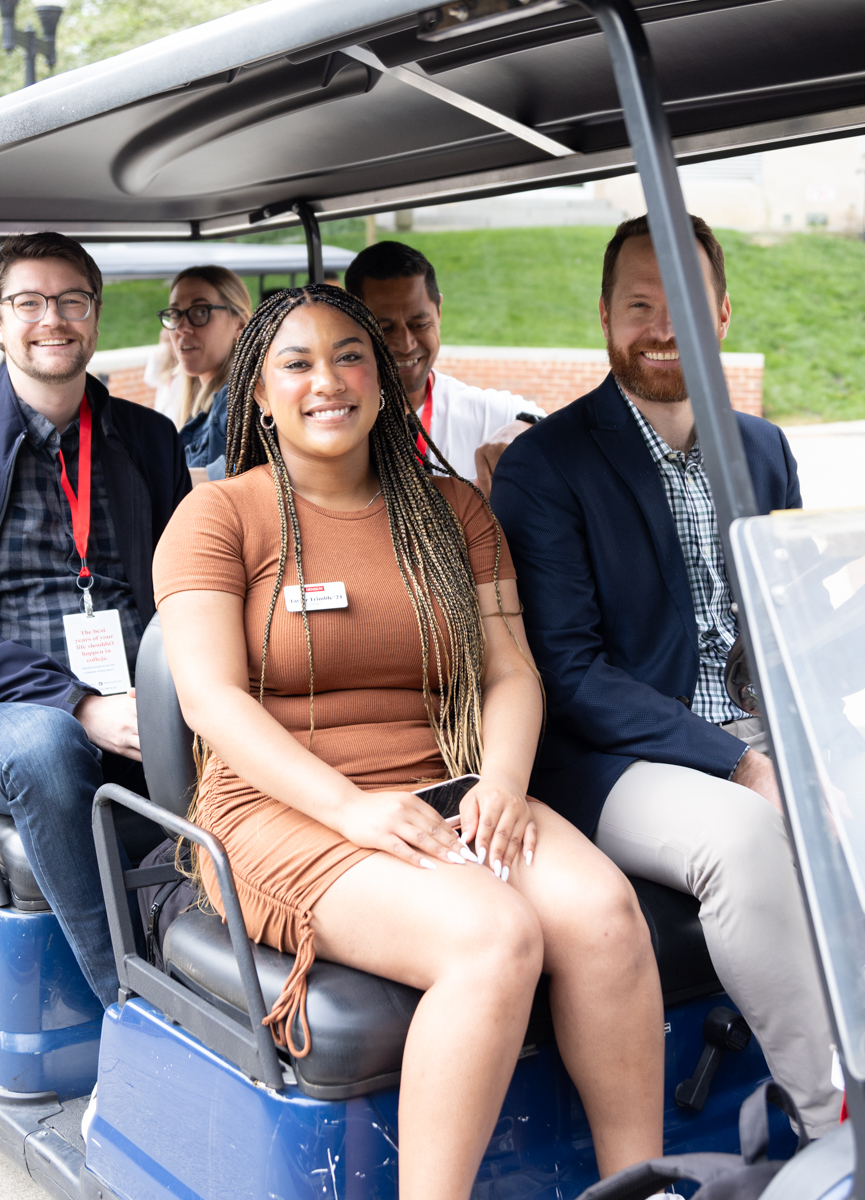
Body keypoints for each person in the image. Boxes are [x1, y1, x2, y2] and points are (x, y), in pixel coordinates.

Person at [156, 285, 664, 1199]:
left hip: (444, 787)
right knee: (493, 936)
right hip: (281, 809)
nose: (328, 381)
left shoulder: (453, 511)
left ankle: (641, 1185)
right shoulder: (219, 517)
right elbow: (210, 699)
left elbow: (512, 672)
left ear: (384, 383)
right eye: (297, 364)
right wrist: (351, 808)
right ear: (259, 396)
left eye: (350, 357)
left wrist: (503, 783)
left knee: (604, 916)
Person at [489, 214, 844, 1136]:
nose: (662, 326)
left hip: (752, 728)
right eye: (640, 305)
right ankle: (831, 1113)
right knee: (744, 837)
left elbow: (790, 612)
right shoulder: (545, 467)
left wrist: (816, 733)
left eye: (684, 303)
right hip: (617, 757)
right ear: (606, 318)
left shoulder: (760, 449)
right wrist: (740, 764)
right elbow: (568, 671)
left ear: (722, 312)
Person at [0, 231, 192, 1015]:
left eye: (72, 301)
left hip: (138, 689)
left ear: (94, 314)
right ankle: (130, 1006)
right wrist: (80, 705)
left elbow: (191, 585)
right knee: (51, 751)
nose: (52, 319)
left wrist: (171, 696)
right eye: (29, 303)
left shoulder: (148, 439)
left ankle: (228, 961)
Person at [345, 241, 545, 482]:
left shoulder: (485, 415)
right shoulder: (335, 420)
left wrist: (526, 427)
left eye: (419, 324)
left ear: (439, 311)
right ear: (353, 322)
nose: (406, 344)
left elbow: (568, 432)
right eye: (385, 329)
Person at [161, 265, 251, 478]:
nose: (182, 328)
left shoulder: (238, 399)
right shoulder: (197, 403)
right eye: (175, 315)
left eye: (201, 312)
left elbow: (234, 486)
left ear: (240, 324)